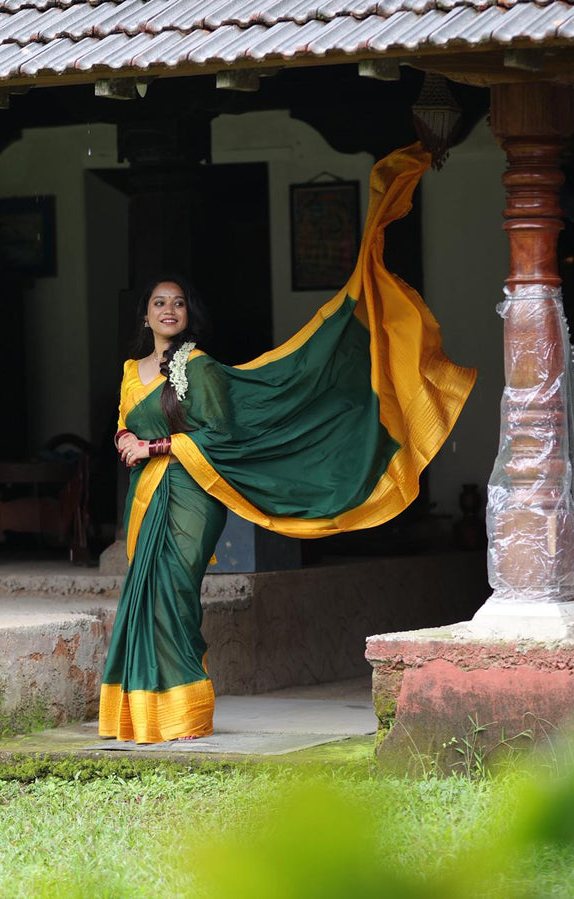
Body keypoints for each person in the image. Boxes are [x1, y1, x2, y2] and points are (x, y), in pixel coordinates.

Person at [98, 142, 477, 744]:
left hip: (193, 494)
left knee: (175, 592)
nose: (168, 310)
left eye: (177, 303)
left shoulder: (201, 367)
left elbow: (217, 433)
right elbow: (122, 423)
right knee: (143, 594)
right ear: (144, 315)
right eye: (158, 303)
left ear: (188, 315)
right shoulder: (128, 370)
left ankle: (182, 714)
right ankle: (145, 715)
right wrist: (125, 441)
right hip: (144, 497)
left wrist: (155, 449)